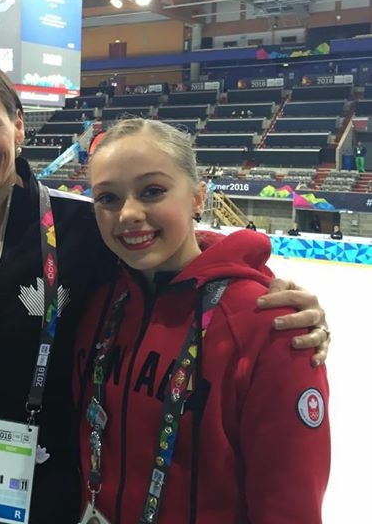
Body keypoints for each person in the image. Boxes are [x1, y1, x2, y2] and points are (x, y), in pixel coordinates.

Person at [0, 57, 330, 524]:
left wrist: (255, 280)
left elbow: (174, 253)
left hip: (50, 494)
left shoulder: (83, 230)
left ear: (18, 125)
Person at [74, 118, 330, 522]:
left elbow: (289, 505)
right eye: (108, 198)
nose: (128, 214)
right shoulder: (98, 303)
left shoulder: (271, 325)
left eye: (152, 191)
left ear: (198, 197)